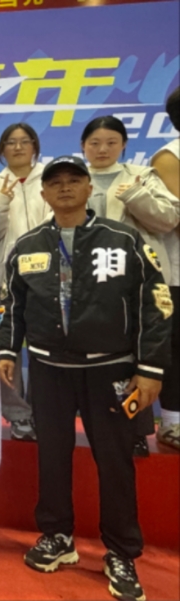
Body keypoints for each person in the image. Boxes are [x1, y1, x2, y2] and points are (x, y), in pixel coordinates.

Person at [0, 155, 172, 601]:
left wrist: (149, 369)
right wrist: (8, 350)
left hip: (110, 369)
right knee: (52, 456)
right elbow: (13, 305)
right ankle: (57, 535)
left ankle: (121, 552)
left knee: (114, 461)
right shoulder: (28, 245)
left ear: (88, 188)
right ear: (43, 193)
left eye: (74, 180)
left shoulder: (123, 240)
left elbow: (156, 304)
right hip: (49, 371)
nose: (65, 188)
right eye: (55, 182)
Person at [81, 115, 180, 456]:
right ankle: (98, 429)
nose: (102, 149)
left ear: (124, 145)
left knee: (136, 359)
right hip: (87, 285)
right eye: (95, 143)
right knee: (96, 361)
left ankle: (137, 430)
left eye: (111, 142)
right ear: (83, 146)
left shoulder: (143, 176)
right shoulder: (70, 178)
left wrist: (137, 196)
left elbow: (169, 219)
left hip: (137, 283)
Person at [0, 123, 50, 441]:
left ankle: (45, 413)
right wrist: (0, 203)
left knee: (46, 350)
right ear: (2, 149)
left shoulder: (52, 178)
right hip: (6, 282)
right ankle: (18, 415)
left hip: (50, 279)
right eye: (11, 142)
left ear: (35, 146)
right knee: (6, 349)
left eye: (25, 141)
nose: (18, 147)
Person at [150, 86, 180, 450]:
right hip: (176, 276)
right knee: (176, 349)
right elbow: (176, 218)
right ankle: (172, 423)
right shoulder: (170, 158)